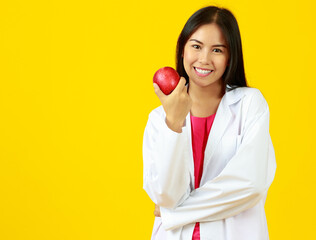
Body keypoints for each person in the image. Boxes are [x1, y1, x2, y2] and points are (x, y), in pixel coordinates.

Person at [142, 6, 276, 240]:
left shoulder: (250, 104)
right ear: (182, 50)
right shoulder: (158, 118)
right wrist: (173, 122)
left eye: (217, 50)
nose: (204, 59)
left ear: (230, 57)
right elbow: (167, 196)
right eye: (196, 46)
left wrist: (173, 213)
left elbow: (250, 184)